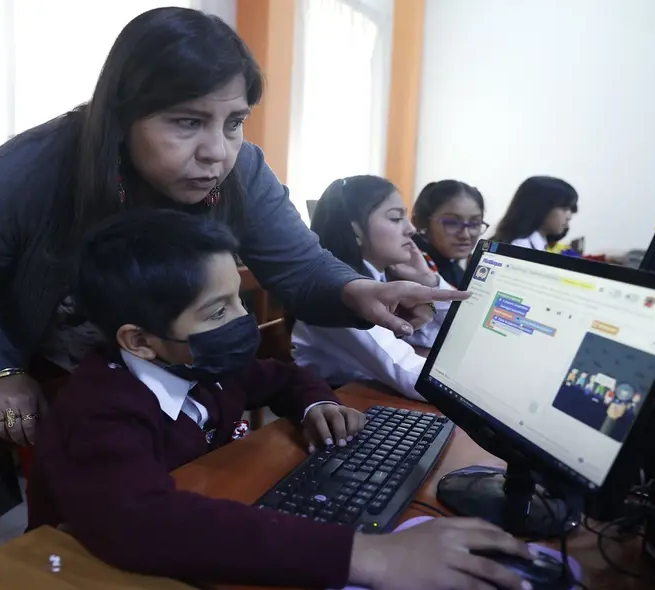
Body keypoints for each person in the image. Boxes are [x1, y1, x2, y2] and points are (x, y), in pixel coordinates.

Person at [0, 8, 463, 522]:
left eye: (234, 122)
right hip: (78, 395)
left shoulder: (242, 169)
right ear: (121, 116)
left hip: (186, 390)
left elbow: (300, 265)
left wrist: (356, 290)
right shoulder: (23, 176)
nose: (217, 151)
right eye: (187, 122)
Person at [31, 209, 533, 590]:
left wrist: (317, 405)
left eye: (239, 299)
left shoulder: (199, 364)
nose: (242, 320)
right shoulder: (99, 413)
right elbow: (145, 522)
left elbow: (284, 377)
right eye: (217, 311)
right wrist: (368, 556)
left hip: (210, 525)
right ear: (139, 341)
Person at [291, 176, 453, 401]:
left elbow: (437, 337)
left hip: (365, 395)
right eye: (396, 218)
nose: (411, 229)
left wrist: (428, 280)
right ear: (355, 231)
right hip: (337, 404)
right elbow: (411, 376)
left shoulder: (383, 278)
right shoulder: (341, 293)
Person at [412, 180, 489, 288]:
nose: (465, 235)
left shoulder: (455, 267)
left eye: (474, 223)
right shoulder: (410, 267)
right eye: (452, 223)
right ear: (422, 222)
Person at [491, 176, 578, 249]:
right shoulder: (519, 247)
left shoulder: (538, 243)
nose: (569, 216)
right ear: (541, 206)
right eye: (564, 208)